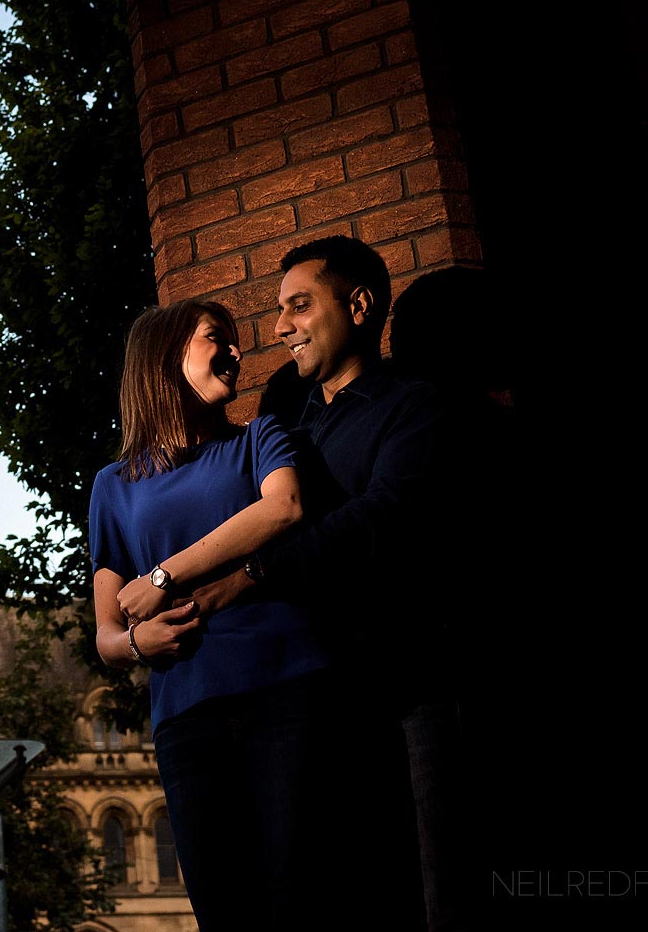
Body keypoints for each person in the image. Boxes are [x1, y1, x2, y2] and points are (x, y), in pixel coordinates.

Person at [186, 235, 470, 931]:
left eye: (298, 305)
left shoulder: (417, 405)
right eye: (279, 309)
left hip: (414, 682)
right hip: (319, 691)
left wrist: (254, 571)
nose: (279, 325)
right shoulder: (287, 415)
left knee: (441, 891)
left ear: (361, 304)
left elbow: (385, 516)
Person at [88, 298, 343, 930]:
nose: (235, 352)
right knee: (225, 908)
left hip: (288, 688)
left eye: (234, 341)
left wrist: (162, 576)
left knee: (303, 897)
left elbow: (282, 510)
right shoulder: (112, 486)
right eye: (214, 339)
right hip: (187, 715)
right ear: (166, 356)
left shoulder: (262, 436)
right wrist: (138, 644)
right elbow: (107, 637)